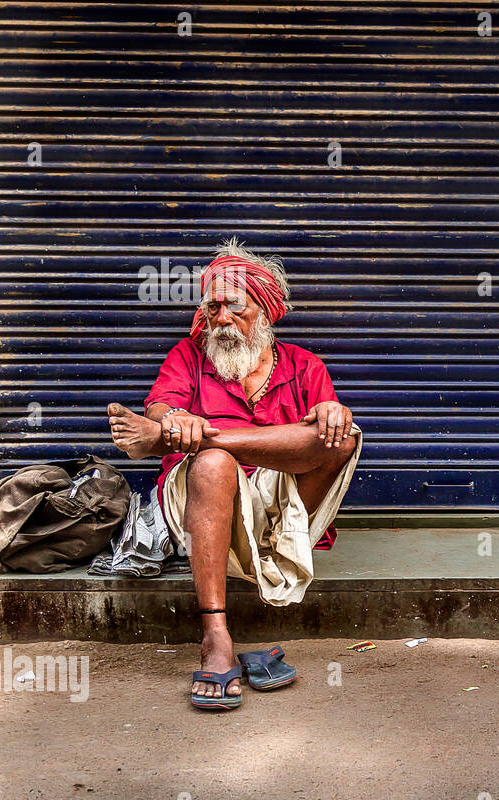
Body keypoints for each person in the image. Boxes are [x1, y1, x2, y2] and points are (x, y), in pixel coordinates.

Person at [107, 239, 362, 710]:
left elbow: (325, 442)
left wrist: (329, 410)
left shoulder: (306, 366)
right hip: (204, 500)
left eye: (233, 308)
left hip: (280, 505)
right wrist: (168, 421)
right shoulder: (189, 356)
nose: (220, 319)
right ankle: (215, 637)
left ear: (263, 311)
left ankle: (216, 440)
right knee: (213, 463)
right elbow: (162, 407)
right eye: (212, 307)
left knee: (341, 434)